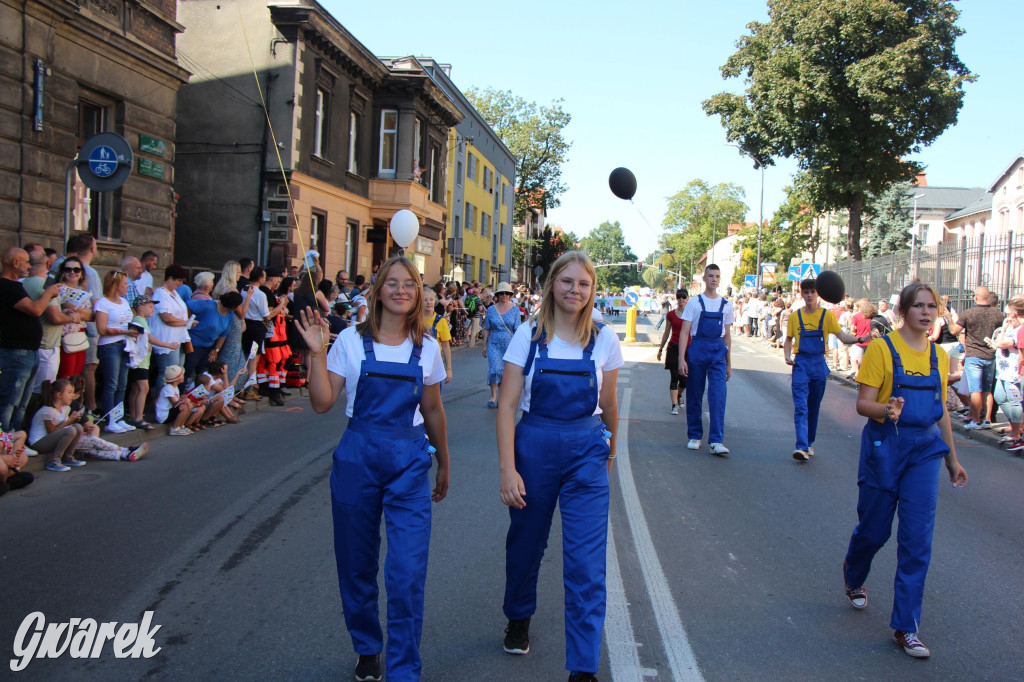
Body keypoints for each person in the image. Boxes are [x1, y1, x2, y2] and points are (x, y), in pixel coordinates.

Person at [296, 255, 450, 682]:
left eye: (410, 284)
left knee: (406, 573)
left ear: (418, 293)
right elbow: (323, 402)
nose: (401, 290)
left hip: (410, 463)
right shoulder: (348, 341)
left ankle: (404, 670)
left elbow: (433, 410)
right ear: (378, 290)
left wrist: (444, 464)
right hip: (357, 459)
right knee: (356, 564)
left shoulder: (428, 348)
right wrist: (316, 352)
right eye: (392, 283)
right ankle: (367, 646)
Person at [497, 251, 621, 682]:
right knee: (525, 545)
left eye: (583, 284)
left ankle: (583, 666)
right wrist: (508, 469)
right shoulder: (528, 335)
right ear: (552, 284)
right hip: (534, 447)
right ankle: (518, 615)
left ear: (591, 290)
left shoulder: (604, 339)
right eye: (567, 281)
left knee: (587, 562)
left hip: (586, 450)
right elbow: (508, 404)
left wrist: (610, 453)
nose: (575, 290)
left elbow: (609, 406)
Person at [843, 281, 968, 659]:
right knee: (875, 529)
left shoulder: (939, 357)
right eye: (919, 306)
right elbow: (864, 404)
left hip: (925, 452)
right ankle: (854, 574)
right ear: (903, 311)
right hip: (885, 446)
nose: (927, 312)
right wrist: (887, 409)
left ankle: (906, 627)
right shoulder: (883, 349)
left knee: (917, 540)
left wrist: (952, 458)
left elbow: (942, 410)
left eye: (933, 306)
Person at [784, 279, 869, 461]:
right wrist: (787, 355)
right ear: (802, 294)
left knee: (813, 406)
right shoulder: (795, 316)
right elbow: (789, 339)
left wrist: (862, 339)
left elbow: (844, 338)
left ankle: (809, 442)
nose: (809, 295)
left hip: (818, 366)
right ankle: (801, 446)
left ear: (817, 294)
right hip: (801, 365)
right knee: (801, 407)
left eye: (812, 292)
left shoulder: (827, 316)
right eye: (805, 292)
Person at [0, 247, 60, 431]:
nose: (28, 266)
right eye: (26, 262)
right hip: (16, 352)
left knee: (22, 403)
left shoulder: (17, 285)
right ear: (15, 263)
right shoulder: (6, 286)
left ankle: (18, 442)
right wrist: (48, 294)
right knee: (10, 401)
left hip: (28, 351)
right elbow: (35, 309)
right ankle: (6, 445)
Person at [678, 264, 733, 455]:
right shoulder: (694, 303)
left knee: (718, 395)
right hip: (697, 350)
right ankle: (694, 435)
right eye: (710, 276)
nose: (714, 280)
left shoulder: (726, 305)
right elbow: (685, 332)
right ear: (704, 278)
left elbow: (727, 336)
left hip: (718, 351)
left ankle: (717, 441)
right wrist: (681, 359)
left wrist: (729, 363)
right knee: (694, 393)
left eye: (717, 276)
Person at [944, 286, 1004, 430]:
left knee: (975, 389)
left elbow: (953, 331)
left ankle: (976, 421)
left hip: (974, 355)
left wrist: (949, 319)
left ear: (976, 297)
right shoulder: (998, 315)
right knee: (987, 390)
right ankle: (987, 420)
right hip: (990, 356)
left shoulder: (968, 313)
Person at [93, 270, 138, 433]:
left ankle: (118, 417)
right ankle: (109, 419)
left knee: (122, 384)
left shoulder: (124, 302)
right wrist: (124, 332)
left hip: (125, 344)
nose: (127, 286)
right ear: (115, 285)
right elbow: (102, 329)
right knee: (111, 383)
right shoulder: (103, 303)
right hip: (110, 345)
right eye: (124, 284)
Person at [149, 265, 192, 397]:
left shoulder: (174, 293)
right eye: (178, 280)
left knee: (178, 372)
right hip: (166, 339)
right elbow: (166, 317)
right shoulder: (161, 293)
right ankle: (161, 401)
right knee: (167, 372)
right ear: (170, 278)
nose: (180, 284)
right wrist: (186, 323)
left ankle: (173, 399)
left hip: (178, 338)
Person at [28, 379, 85, 472]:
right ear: (59, 395)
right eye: (70, 392)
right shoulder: (48, 410)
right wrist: (70, 421)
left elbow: (64, 428)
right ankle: (53, 461)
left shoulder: (66, 408)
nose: (73, 395)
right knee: (71, 430)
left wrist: (71, 421)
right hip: (39, 442)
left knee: (78, 427)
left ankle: (67, 457)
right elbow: (51, 431)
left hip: (51, 438)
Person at [482, 282, 521, 408]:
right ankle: (493, 395)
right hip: (494, 343)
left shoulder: (515, 310)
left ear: (510, 295)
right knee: (495, 369)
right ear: (497, 295)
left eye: (507, 293)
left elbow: (517, 330)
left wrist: (519, 347)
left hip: (509, 344)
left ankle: (502, 396)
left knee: (505, 372)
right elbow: (487, 328)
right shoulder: (491, 310)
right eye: (501, 293)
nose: (504, 295)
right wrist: (484, 345)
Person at [992, 296, 1024, 449]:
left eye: (1010, 314)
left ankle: (1017, 432)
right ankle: (1015, 427)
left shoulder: (1019, 330)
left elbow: (1001, 343)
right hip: (1003, 371)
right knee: (1000, 396)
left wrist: (1004, 329)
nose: (1008, 318)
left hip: (1014, 374)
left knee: (1015, 401)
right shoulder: (1012, 328)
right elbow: (997, 341)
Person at [55, 256, 93, 380]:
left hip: (80, 334)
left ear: (81, 272)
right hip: (66, 335)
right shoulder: (59, 288)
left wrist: (81, 313)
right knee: (66, 376)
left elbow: (91, 316)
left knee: (76, 376)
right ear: (63, 271)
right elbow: (72, 308)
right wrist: (84, 313)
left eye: (76, 269)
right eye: (68, 269)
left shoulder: (83, 289)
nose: (72, 272)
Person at [657, 289, 689, 415]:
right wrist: (660, 349)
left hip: (688, 348)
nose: (681, 299)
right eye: (679, 297)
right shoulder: (670, 314)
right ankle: (674, 404)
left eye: (683, 297)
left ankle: (679, 394)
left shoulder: (692, 314)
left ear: (687, 298)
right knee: (674, 377)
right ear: (676, 298)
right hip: (674, 348)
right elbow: (666, 333)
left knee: (685, 380)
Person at [423, 287, 453, 385]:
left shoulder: (441, 321)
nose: (428, 302)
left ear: (435, 301)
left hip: (434, 366)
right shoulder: (414, 320)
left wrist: (449, 369)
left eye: (431, 299)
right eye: (425, 300)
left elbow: (445, 346)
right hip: (417, 365)